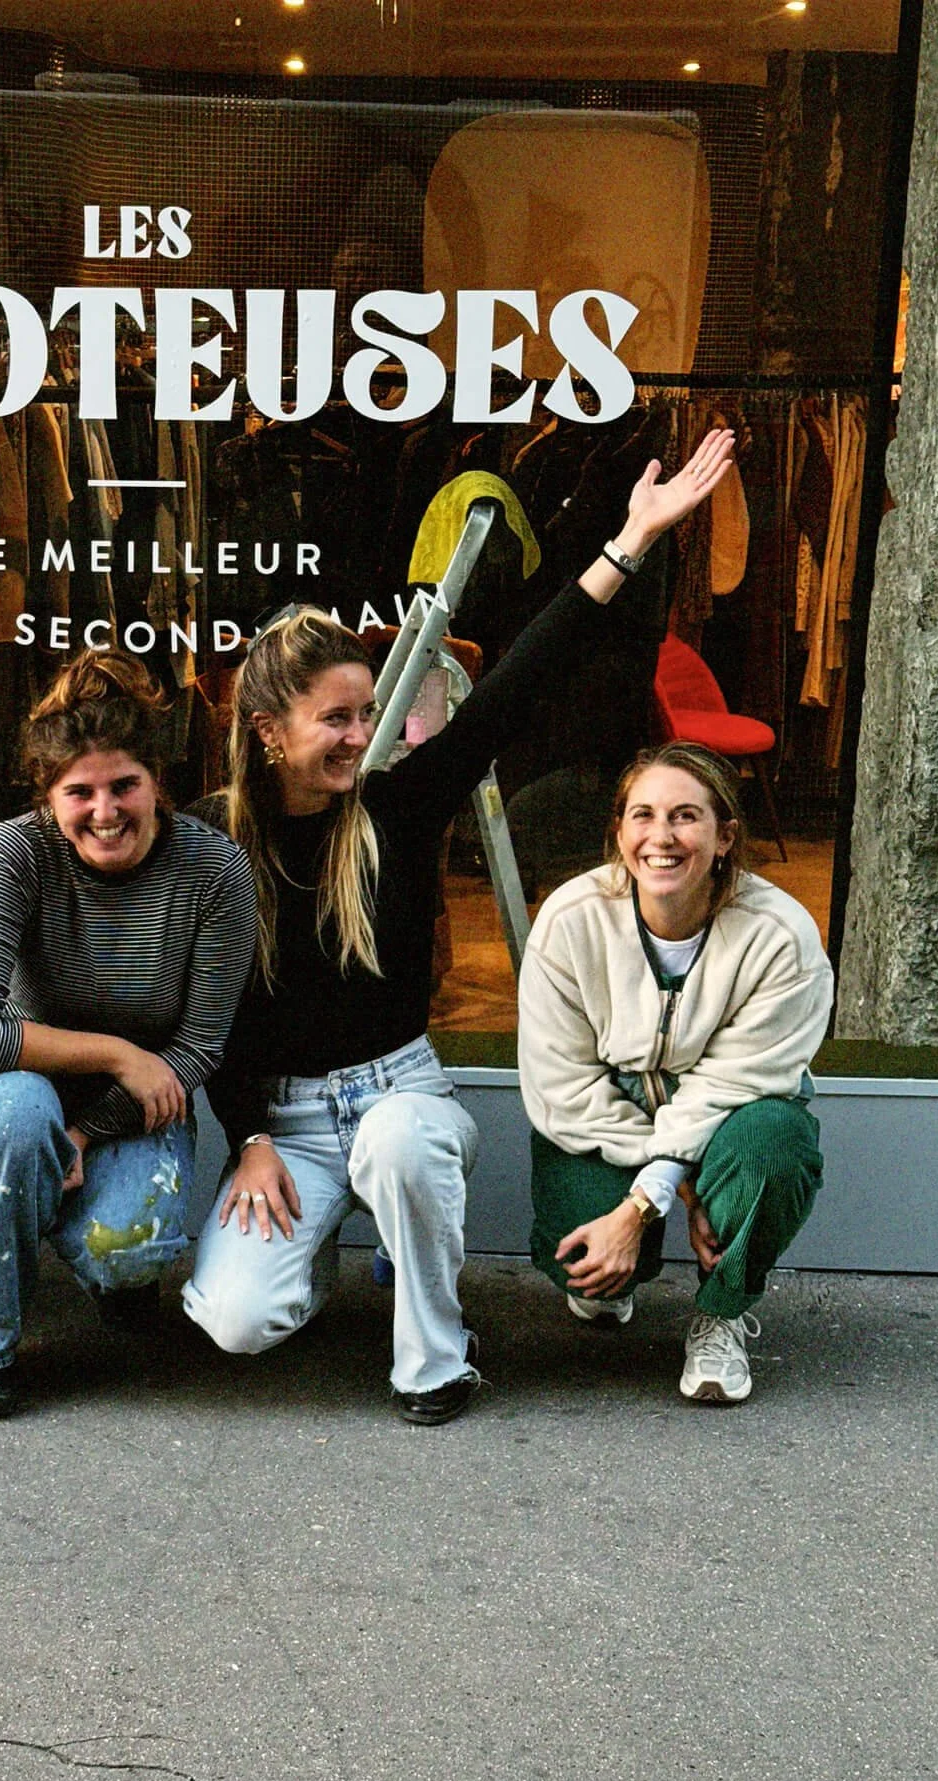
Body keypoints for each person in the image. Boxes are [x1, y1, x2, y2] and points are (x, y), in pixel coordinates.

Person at [182, 429, 738, 1425]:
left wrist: (630, 543)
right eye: (337, 720)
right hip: (288, 1126)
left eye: (367, 715)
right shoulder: (213, 845)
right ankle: (333, 1256)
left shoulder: (396, 808)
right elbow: (208, 1014)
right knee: (237, 1320)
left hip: (399, 1097)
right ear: (268, 731)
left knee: (401, 1146)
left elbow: (520, 681)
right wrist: (250, 1137)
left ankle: (434, 1360)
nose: (363, 736)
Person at [0, 649, 257, 1420]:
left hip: (130, 1101)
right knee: (18, 1124)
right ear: (49, 798)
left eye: (123, 786)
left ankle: (76, 1240)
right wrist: (117, 1054)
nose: (105, 811)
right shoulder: (16, 851)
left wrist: (82, 1134)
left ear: (157, 782)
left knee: (128, 1248)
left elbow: (200, 1047)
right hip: (6, 1075)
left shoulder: (214, 870)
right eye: (79, 792)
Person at [518, 740, 832, 1404]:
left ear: (725, 837)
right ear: (619, 831)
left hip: (730, 1113)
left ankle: (722, 1313)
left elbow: (734, 1082)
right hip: (612, 1110)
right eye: (644, 815)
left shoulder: (780, 935)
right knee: (583, 1264)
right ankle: (618, 1276)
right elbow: (564, 1089)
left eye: (686, 817)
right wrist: (678, 1192)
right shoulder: (571, 920)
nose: (661, 837)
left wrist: (641, 1202)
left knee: (771, 1145)